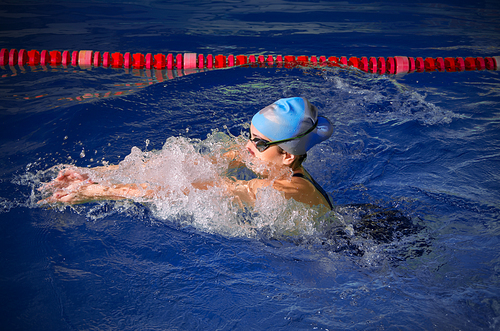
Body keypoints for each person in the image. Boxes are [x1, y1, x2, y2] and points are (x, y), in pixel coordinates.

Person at [38, 97, 334, 211]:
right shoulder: (257, 155)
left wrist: (100, 192)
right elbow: (178, 166)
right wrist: (96, 174)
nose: (247, 147)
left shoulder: (289, 188)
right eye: (250, 136)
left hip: (343, 248)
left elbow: (192, 190)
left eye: (259, 143)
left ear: (287, 156)